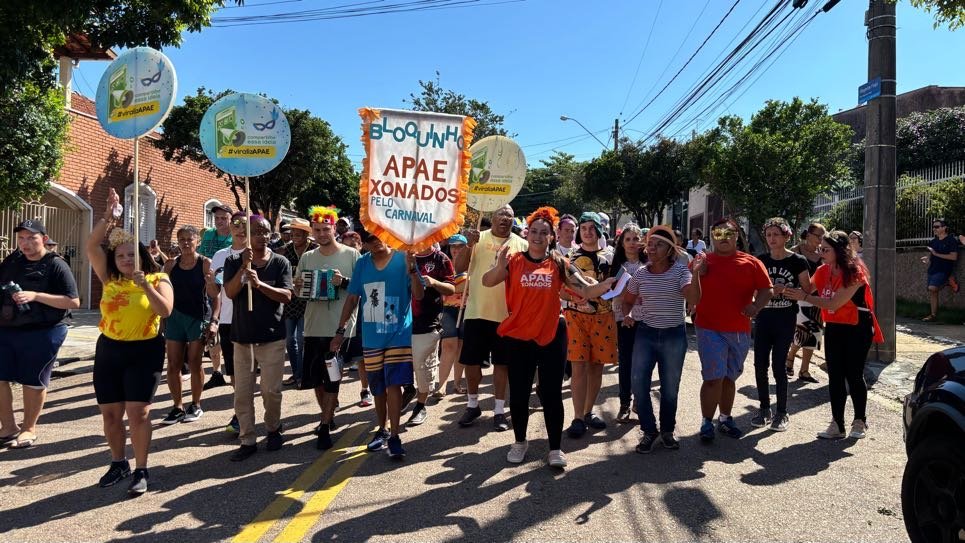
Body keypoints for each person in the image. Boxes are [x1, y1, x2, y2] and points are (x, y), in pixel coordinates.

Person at [482, 207, 615, 469]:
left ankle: (555, 448)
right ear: (527, 234)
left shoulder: (558, 263)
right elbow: (487, 281)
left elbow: (585, 289)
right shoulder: (514, 260)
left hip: (552, 335)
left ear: (551, 237)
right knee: (519, 394)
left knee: (552, 394)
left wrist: (606, 285)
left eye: (544, 232)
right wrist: (499, 266)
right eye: (534, 231)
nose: (538, 236)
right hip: (519, 336)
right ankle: (520, 442)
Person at [87, 188, 174, 496]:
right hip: (109, 349)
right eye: (120, 256)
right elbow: (91, 245)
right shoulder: (108, 279)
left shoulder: (158, 279)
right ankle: (118, 462)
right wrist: (107, 216)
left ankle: (141, 468)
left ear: (142, 257)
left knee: (139, 412)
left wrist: (145, 287)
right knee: (111, 414)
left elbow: (165, 311)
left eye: (131, 255)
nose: (125, 259)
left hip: (145, 351)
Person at [331, 229, 424, 459]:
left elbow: (419, 295)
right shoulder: (362, 264)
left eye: (380, 235)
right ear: (363, 243)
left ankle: (395, 436)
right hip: (372, 337)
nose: (376, 241)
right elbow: (352, 298)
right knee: (378, 387)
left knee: (394, 385)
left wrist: (413, 270)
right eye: (370, 238)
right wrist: (340, 331)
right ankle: (382, 429)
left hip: (398, 335)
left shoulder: (404, 258)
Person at [785, 231, 883, 440]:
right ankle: (837, 424)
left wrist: (804, 296)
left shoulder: (855, 272)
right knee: (835, 375)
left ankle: (860, 421)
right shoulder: (822, 270)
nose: (821, 253)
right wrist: (795, 264)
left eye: (826, 249)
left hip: (858, 326)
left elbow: (834, 303)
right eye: (820, 248)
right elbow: (806, 287)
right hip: (835, 326)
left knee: (854, 374)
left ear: (840, 250)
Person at [0, 220, 80, 449]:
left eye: (31, 238)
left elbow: (73, 301)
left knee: (32, 379)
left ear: (44, 239)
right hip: (9, 326)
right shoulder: (13, 260)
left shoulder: (56, 264)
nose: (25, 243)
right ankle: (8, 427)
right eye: (21, 238)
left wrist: (35, 296)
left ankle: (29, 429)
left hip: (45, 329)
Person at [623, 226, 702, 453]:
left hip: (673, 336)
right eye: (650, 244)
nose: (652, 248)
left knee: (669, 388)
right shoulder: (640, 274)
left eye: (659, 244)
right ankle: (649, 430)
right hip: (645, 334)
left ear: (670, 249)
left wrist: (696, 273)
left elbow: (694, 298)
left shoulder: (681, 272)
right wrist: (628, 314)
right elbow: (627, 300)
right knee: (639, 384)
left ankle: (667, 430)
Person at [693, 218, 772, 442]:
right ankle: (706, 422)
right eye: (718, 233)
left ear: (737, 236)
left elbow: (767, 289)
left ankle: (725, 419)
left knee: (729, 377)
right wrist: (698, 272)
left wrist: (756, 306)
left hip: (739, 330)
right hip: (708, 328)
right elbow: (690, 290)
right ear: (712, 236)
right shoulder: (703, 260)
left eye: (729, 233)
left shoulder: (752, 263)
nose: (724, 238)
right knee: (713, 377)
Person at [223, 215, 293, 462]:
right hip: (242, 339)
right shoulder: (234, 261)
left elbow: (286, 296)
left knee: (271, 391)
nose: (262, 236)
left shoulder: (280, 262)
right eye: (256, 232)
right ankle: (247, 439)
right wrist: (244, 268)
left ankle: (273, 428)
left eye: (265, 232)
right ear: (246, 235)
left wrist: (260, 284)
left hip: (271, 338)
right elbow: (230, 292)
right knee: (242, 394)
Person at [452, 204, 527, 431]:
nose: (505, 218)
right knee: (471, 362)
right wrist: (468, 245)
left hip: (507, 316)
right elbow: (458, 267)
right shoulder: (477, 238)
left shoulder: (521, 244)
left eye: (509, 215)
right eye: (501, 214)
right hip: (476, 312)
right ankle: (472, 405)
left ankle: (499, 410)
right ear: (493, 217)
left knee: (502, 364)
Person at [296, 207, 360, 450]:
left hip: (339, 328)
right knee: (317, 379)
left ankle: (324, 425)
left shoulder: (351, 255)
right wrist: (298, 286)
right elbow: (299, 291)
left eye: (326, 229)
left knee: (333, 377)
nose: (322, 233)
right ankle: (328, 414)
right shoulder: (307, 257)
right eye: (317, 230)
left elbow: (361, 289)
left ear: (334, 229)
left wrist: (343, 282)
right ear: (312, 231)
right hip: (313, 326)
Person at [752, 218, 811, 432]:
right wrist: (768, 291)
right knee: (760, 364)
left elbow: (808, 289)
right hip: (764, 318)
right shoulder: (760, 261)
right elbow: (753, 290)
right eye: (768, 235)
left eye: (776, 234)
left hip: (785, 319)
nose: (772, 238)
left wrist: (789, 291)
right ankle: (764, 409)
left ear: (786, 236)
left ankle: (782, 412)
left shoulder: (798, 261)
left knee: (779, 365)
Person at [564, 212, 618, 437]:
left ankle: (588, 412)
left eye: (592, 228)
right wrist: (576, 294)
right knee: (578, 367)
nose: (587, 232)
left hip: (604, 317)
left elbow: (619, 286)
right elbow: (563, 287)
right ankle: (577, 417)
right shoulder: (569, 256)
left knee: (597, 367)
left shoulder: (611, 256)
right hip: (575, 316)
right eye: (583, 228)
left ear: (599, 230)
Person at [159, 226, 219, 425]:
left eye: (189, 239)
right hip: (175, 318)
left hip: (198, 318)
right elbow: (162, 294)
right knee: (173, 364)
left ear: (197, 241)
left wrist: (214, 321)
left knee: (194, 362)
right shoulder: (170, 265)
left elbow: (215, 296)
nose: (185, 243)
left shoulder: (205, 263)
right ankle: (177, 407)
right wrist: (161, 320)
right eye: (182, 239)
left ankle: (196, 404)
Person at [206, 213, 249, 434]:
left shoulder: (258, 253)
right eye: (236, 225)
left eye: (245, 225)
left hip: (252, 319)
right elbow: (215, 291)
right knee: (233, 370)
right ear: (230, 228)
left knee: (249, 371)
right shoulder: (220, 255)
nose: (240, 229)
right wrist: (209, 284)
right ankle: (240, 413)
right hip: (227, 320)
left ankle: (249, 413)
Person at [407, 242, 456, 426]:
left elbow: (451, 288)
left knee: (423, 367)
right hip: (400, 321)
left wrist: (435, 282)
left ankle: (420, 406)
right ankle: (408, 389)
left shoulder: (440, 259)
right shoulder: (402, 256)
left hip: (427, 322)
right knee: (403, 365)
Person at [609, 223, 646, 423]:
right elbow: (610, 292)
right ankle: (625, 404)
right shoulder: (616, 266)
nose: (632, 243)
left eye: (636, 239)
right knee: (626, 362)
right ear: (622, 243)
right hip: (623, 319)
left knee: (644, 362)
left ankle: (640, 401)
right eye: (628, 239)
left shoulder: (649, 265)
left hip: (646, 319)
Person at [786, 223, 827, 383]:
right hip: (799, 298)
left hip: (817, 298)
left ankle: (804, 370)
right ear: (808, 235)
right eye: (818, 236)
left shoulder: (823, 254)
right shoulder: (796, 251)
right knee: (802, 333)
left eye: (823, 236)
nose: (821, 239)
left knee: (814, 334)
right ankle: (790, 357)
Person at [281, 218, 319, 387]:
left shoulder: (314, 250)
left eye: (298, 234)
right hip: (290, 301)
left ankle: (302, 375)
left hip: (308, 300)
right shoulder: (286, 250)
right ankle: (296, 373)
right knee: (290, 340)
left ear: (305, 234)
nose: (294, 237)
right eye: (292, 234)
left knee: (301, 338)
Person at [199, 203, 233, 389]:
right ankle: (217, 371)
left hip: (229, 289)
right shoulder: (208, 234)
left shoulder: (235, 237)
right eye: (217, 218)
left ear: (230, 219)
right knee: (212, 331)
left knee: (228, 330)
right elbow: (201, 255)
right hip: (209, 287)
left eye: (223, 218)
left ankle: (236, 368)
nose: (219, 221)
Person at [340, 231, 372, 406]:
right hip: (340, 314)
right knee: (338, 358)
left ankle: (366, 389)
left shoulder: (367, 262)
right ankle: (333, 397)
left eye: (353, 246)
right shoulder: (337, 259)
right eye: (345, 246)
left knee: (363, 356)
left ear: (360, 246)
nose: (349, 250)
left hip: (362, 313)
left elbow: (363, 286)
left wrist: (344, 281)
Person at [436, 234, 468, 398]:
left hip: (467, 309)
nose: (456, 249)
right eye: (453, 246)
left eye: (460, 246)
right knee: (448, 345)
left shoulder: (472, 264)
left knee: (461, 346)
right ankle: (441, 385)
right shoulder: (444, 263)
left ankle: (456, 383)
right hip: (447, 309)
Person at [921, 218, 960, 321]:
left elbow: (954, 257)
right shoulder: (933, 242)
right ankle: (933, 315)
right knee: (932, 291)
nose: (934, 229)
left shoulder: (951, 240)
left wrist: (936, 254)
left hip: (944, 269)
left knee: (932, 288)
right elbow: (931, 256)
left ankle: (948, 281)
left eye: (937, 227)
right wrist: (927, 259)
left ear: (944, 228)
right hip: (932, 269)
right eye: (933, 227)